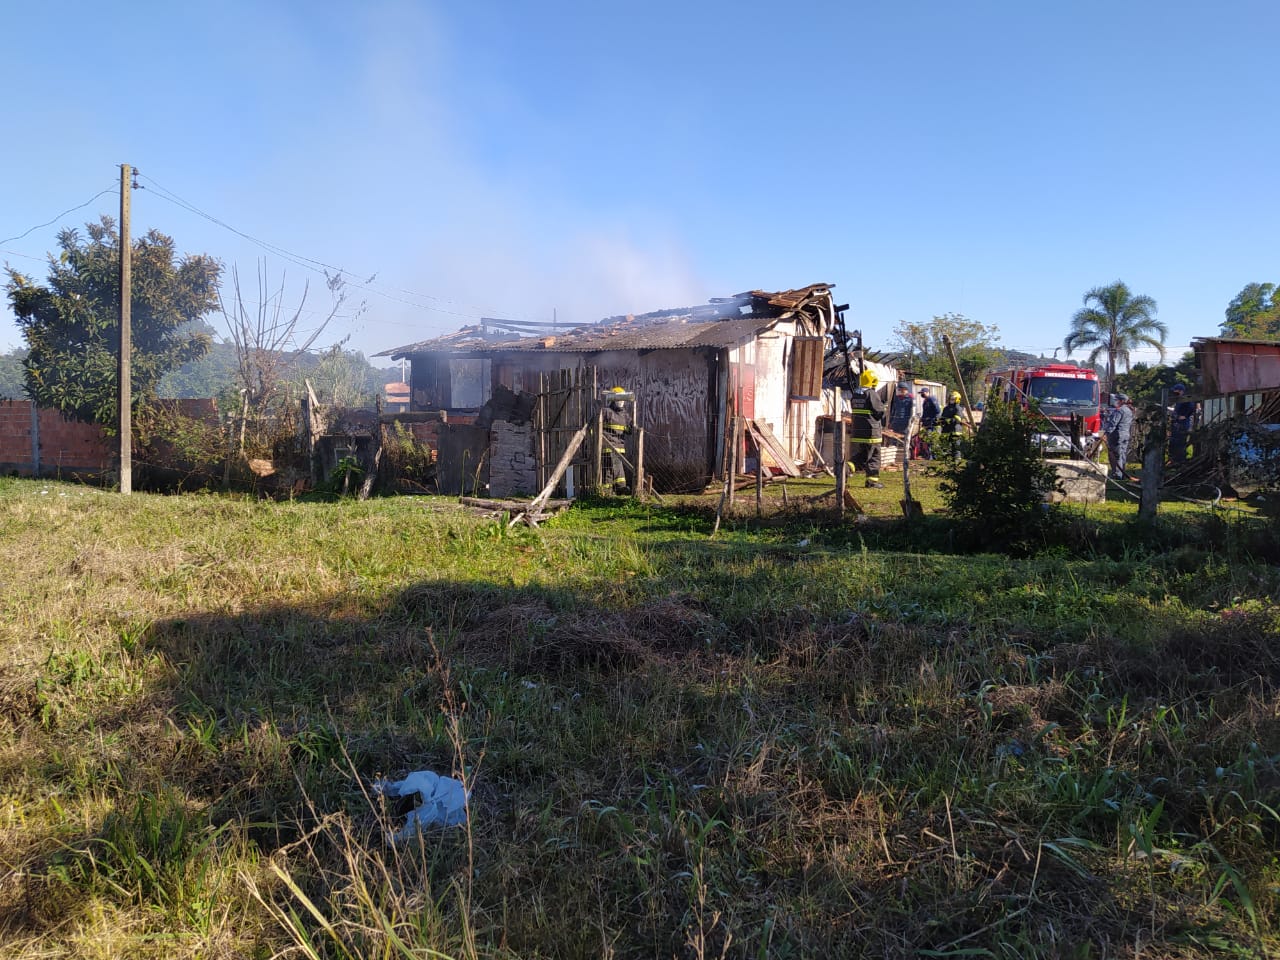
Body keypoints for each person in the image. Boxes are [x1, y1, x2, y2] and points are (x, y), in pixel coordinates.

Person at [850, 368, 886, 488]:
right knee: (874, 456)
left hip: (857, 432)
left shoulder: (855, 394)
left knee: (861, 456)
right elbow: (879, 412)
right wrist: (883, 408)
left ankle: (845, 469)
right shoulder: (871, 393)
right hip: (871, 432)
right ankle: (872, 482)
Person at [602, 386, 632, 491]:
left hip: (619, 447)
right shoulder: (606, 412)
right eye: (619, 399)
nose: (621, 402)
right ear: (613, 399)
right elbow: (595, 428)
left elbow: (630, 431)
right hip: (608, 446)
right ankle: (611, 490)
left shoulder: (625, 415)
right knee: (610, 469)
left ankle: (615, 489)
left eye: (623, 399)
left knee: (616, 469)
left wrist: (633, 425)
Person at [1101, 392, 1135, 479]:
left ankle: (1117, 474)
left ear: (1122, 401)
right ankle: (1122, 473)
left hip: (1117, 435)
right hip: (1125, 435)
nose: (1116, 402)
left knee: (1116, 456)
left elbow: (1113, 423)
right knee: (1123, 455)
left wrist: (1107, 433)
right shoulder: (1130, 410)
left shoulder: (1120, 410)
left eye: (1117, 400)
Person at [1168, 384, 1197, 464]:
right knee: (1173, 442)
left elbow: (1191, 407)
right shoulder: (1178, 400)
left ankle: (1180, 460)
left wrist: (1185, 416)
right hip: (1176, 423)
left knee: (1180, 442)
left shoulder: (1185, 399)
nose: (1174, 392)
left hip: (1182, 424)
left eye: (1175, 390)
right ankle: (1173, 459)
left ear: (1181, 391)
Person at [888, 382, 914, 460]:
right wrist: (890, 421)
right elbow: (893, 410)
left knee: (904, 439)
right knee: (894, 438)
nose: (901, 391)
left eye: (903, 389)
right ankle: (893, 456)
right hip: (896, 422)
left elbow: (912, 412)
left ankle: (905, 456)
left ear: (906, 390)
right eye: (900, 389)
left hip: (905, 423)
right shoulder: (897, 398)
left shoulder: (910, 399)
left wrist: (910, 422)